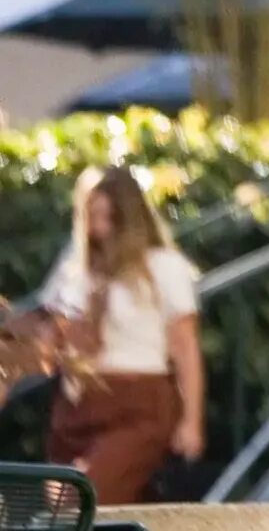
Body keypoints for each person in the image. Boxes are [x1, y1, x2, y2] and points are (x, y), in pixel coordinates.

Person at [37, 167, 208, 506]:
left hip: (137, 404)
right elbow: (50, 330)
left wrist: (191, 421)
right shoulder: (75, 268)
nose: (100, 227)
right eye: (92, 216)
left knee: (80, 499)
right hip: (79, 404)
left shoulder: (162, 266)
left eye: (108, 216)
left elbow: (185, 348)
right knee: (80, 508)